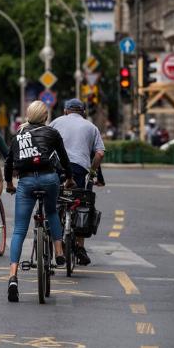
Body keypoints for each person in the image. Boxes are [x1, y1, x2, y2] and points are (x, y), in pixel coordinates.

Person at [4, 101, 75, 303]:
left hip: (26, 182)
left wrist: (9, 183)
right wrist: (69, 178)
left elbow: (9, 162)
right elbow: (64, 159)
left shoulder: (18, 135)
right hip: (49, 179)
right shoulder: (52, 133)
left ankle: (13, 277)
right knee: (52, 212)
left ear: (28, 115)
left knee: (19, 230)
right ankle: (59, 252)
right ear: (45, 117)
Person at [49, 98, 105, 266]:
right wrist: (93, 171)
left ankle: (57, 246)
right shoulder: (91, 127)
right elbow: (100, 154)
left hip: (58, 168)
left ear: (66, 111)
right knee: (82, 203)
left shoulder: (56, 122)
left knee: (56, 203)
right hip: (80, 170)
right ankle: (80, 246)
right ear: (83, 112)